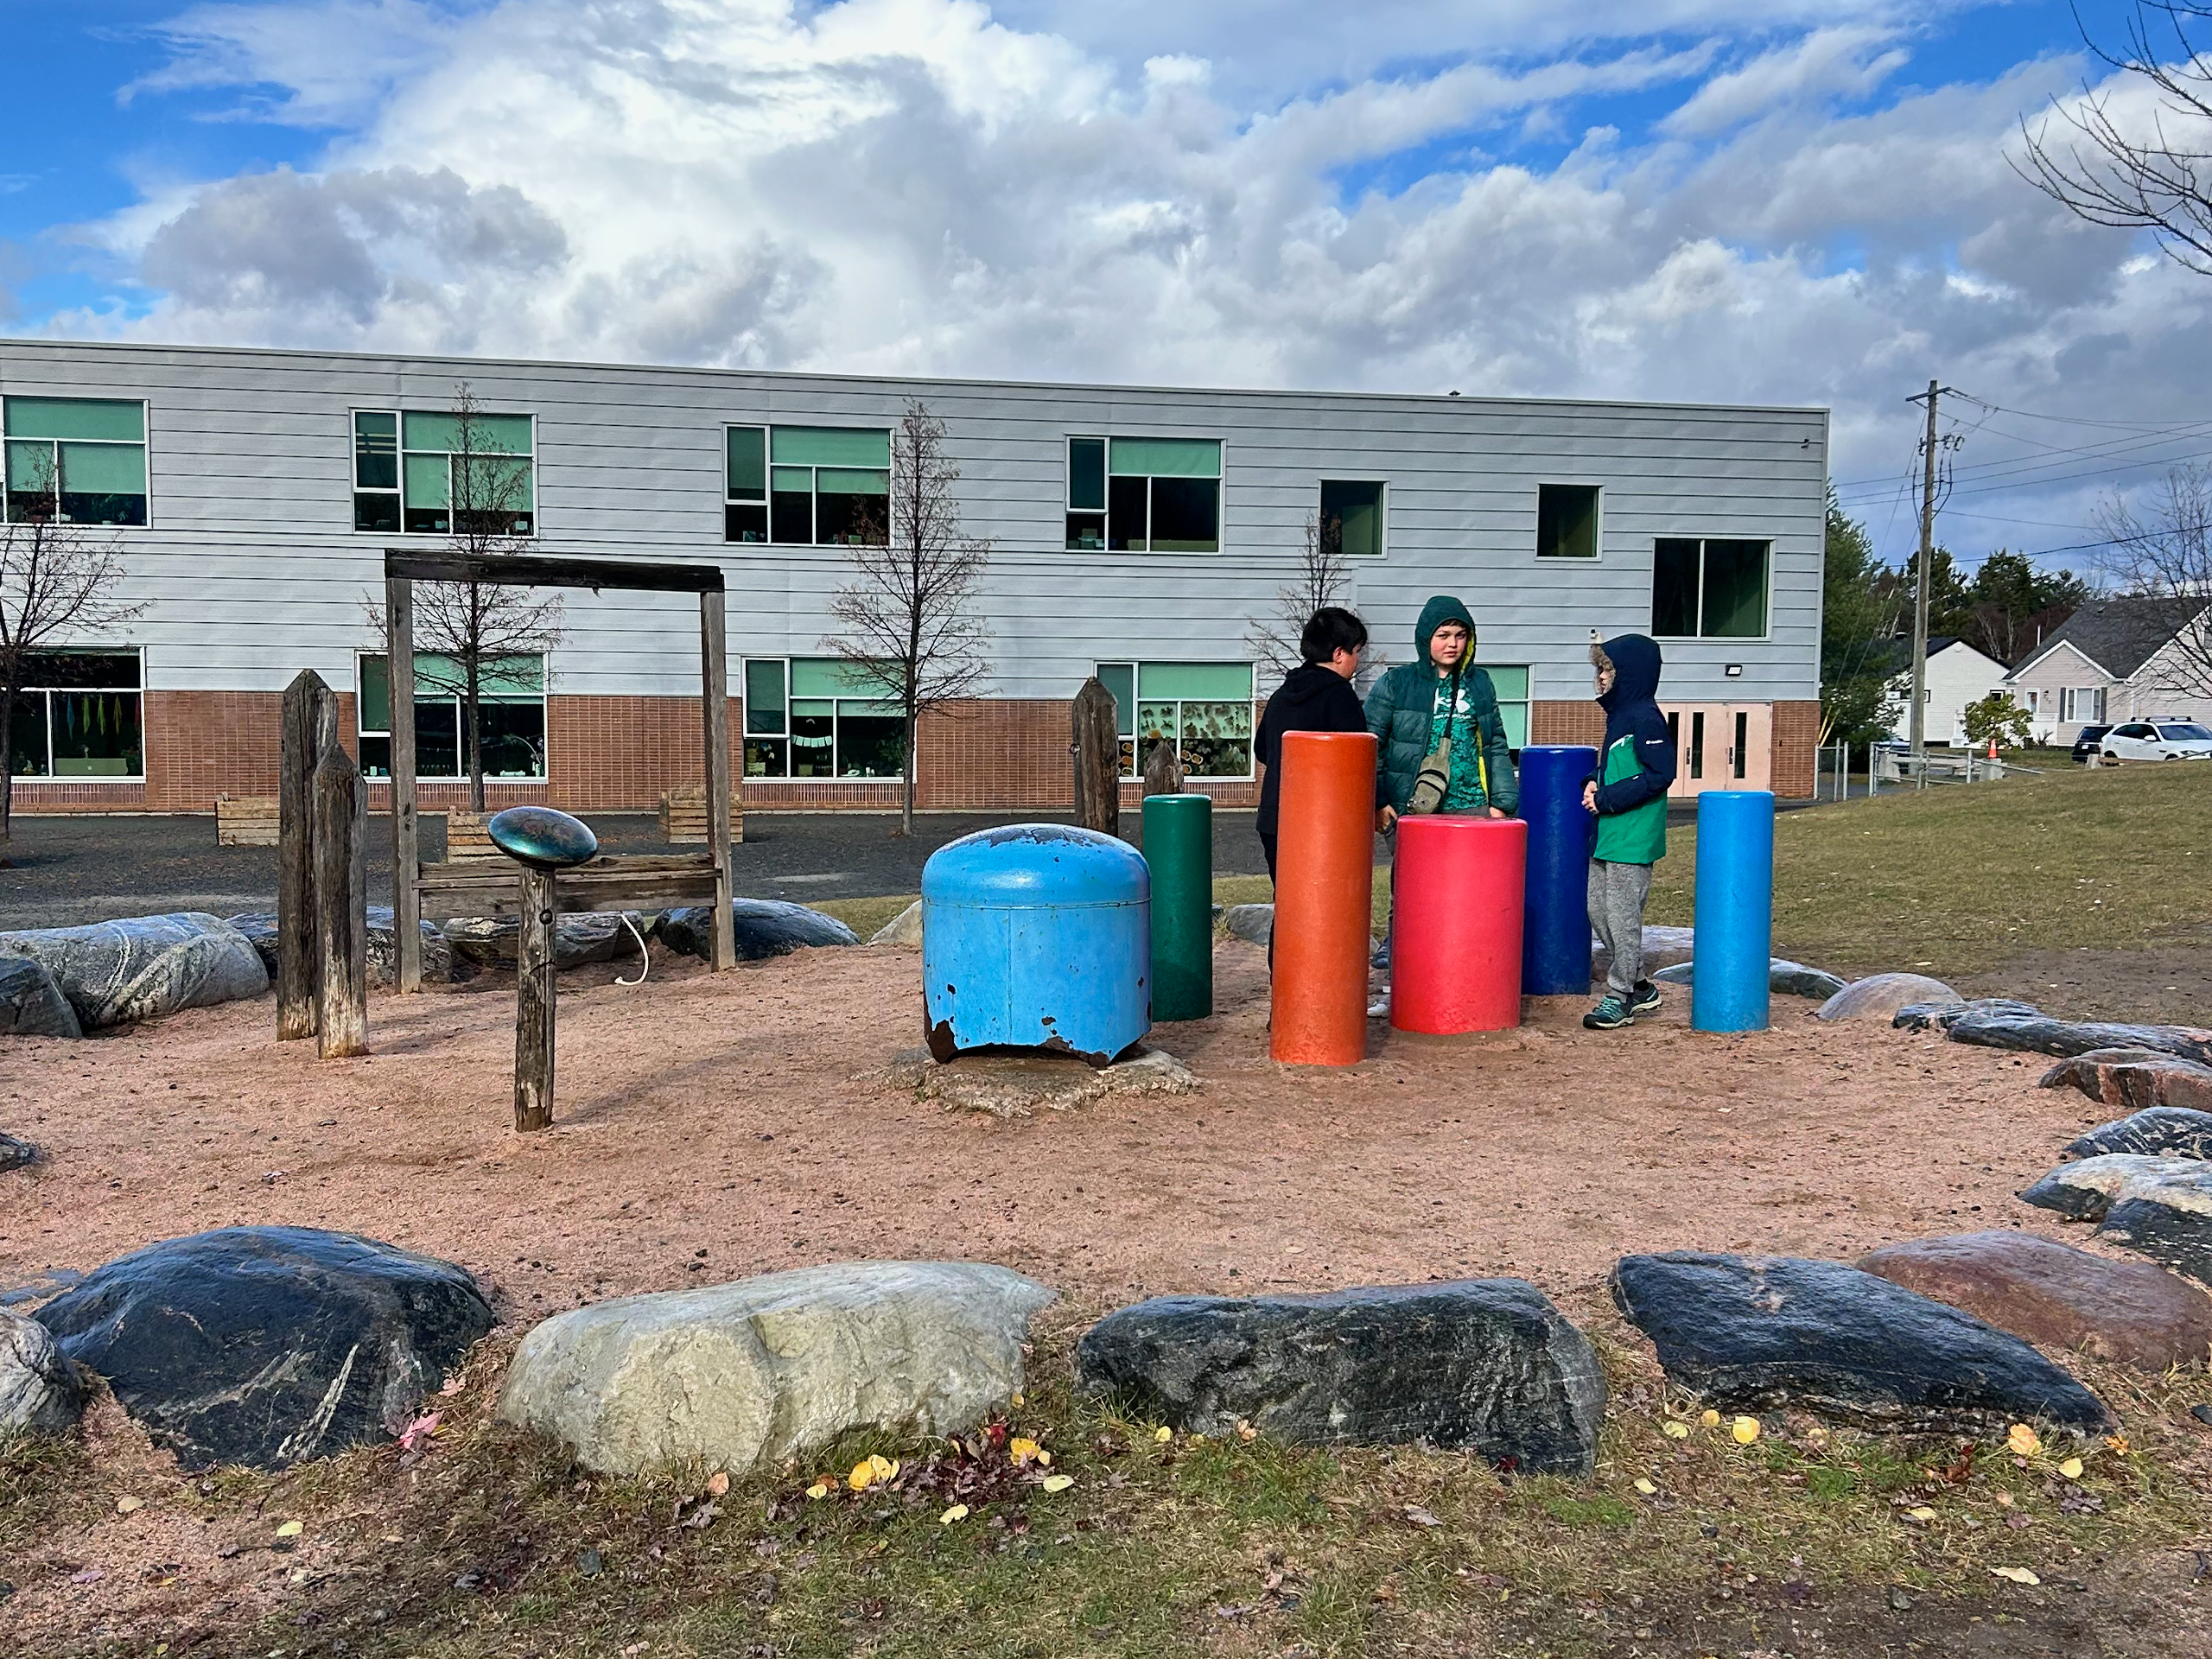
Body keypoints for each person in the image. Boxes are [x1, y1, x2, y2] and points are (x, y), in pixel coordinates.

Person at [1580, 632, 1676, 1030]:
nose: (1601, 677)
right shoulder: (1619, 716)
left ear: (1630, 673)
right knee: (1597, 910)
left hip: (1633, 837)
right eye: (1600, 669)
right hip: (1608, 833)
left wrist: (1606, 799)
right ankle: (1639, 985)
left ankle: (1620, 997)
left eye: (1608, 669)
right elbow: (1616, 767)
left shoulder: (1646, 717)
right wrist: (1592, 779)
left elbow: (1660, 773)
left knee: (1623, 919)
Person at [1364, 594, 1518, 826]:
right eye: (1443, 636)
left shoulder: (1480, 683)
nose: (1453, 644)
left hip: (1473, 806)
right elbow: (1371, 744)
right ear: (1425, 638)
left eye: (1460, 636)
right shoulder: (1396, 683)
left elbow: (1495, 744)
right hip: (1412, 808)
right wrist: (1379, 802)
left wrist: (1501, 804)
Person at [1253, 606, 1374, 884]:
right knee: (1325, 901)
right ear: (1339, 654)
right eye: (1357, 652)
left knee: (1288, 899)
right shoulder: (1341, 696)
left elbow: (1262, 750)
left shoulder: (1282, 695)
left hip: (1274, 818)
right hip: (1322, 823)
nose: (1358, 661)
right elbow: (1358, 762)